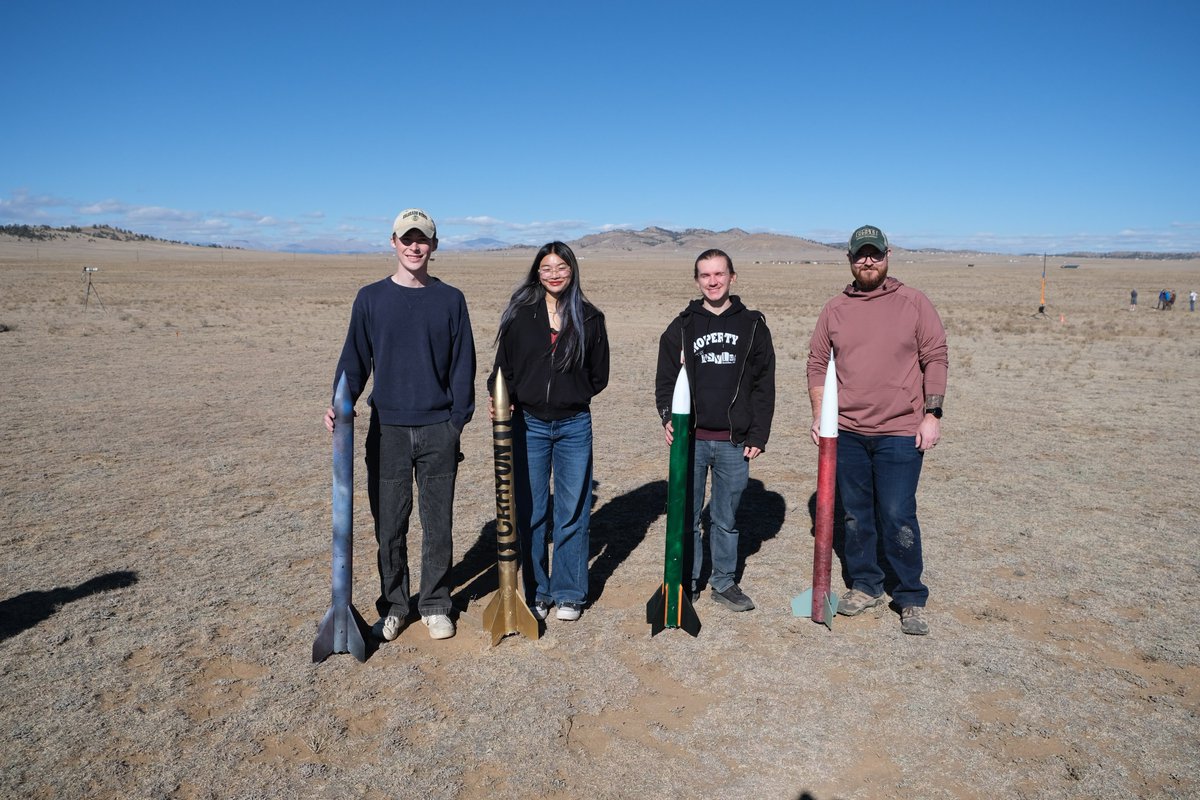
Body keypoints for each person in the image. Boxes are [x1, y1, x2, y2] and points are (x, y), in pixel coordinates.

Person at [324, 208, 475, 642]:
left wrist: (455, 423)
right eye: (406, 239)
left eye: (422, 239)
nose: (414, 246)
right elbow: (354, 360)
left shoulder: (451, 300)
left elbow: (464, 365)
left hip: (437, 430)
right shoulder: (371, 298)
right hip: (387, 430)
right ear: (392, 242)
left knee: (437, 523)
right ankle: (394, 606)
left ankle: (434, 603)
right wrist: (340, 403)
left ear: (434, 246)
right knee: (390, 525)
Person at [806, 225, 948, 636]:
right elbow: (817, 362)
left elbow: (935, 356)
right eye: (860, 255)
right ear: (849, 259)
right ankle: (865, 584)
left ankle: (909, 595)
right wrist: (821, 414)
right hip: (847, 431)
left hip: (900, 432)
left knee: (897, 513)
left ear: (888, 254)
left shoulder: (913, 303)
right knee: (855, 514)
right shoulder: (835, 309)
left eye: (875, 254)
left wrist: (932, 414)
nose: (868, 261)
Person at [489, 242, 609, 622]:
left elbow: (599, 375)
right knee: (533, 510)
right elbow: (502, 368)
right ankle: (537, 591)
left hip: (575, 425)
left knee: (572, 512)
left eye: (561, 267)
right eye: (546, 267)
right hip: (529, 425)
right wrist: (503, 398)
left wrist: (570, 393)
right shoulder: (520, 315)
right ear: (536, 272)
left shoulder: (589, 318)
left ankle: (570, 592)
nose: (554, 273)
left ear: (572, 270)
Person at [654, 249, 775, 613]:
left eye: (719, 274)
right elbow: (664, 381)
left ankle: (723, 582)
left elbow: (764, 386)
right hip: (689, 441)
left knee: (725, 518)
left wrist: (757, 435)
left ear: (732, 277)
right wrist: (667, 417)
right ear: (696, 280)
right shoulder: (682, 326)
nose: (712, 281)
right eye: (705, 275)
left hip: (733, 442)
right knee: (685, 515)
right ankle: (686, 582)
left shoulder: (753, 325)